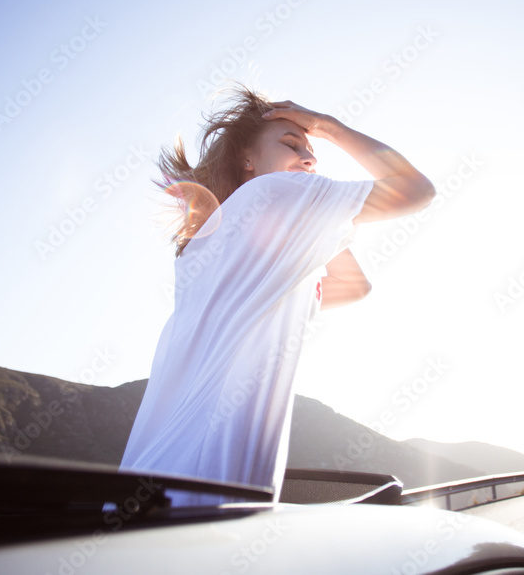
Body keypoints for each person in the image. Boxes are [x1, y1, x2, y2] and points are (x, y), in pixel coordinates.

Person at [118, 86, 435, 507]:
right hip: (209, 492)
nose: (310, 156)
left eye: (312, 148)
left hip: (151, 490)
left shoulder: (217, 243)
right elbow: (416, 189)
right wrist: (328, 127)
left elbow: (352, 286)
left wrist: (318, 226)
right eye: (291, 144)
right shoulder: (273, 194)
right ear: (247, 161)